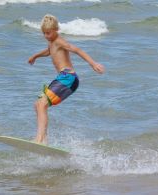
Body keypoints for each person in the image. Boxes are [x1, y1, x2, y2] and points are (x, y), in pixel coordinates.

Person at [28, 14, 105, 145]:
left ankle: (40, 139)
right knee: (38, 105)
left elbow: (77, 50)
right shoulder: (52, 42)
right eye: (44, 33)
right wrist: (35, 56)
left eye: (48, 33)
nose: (46, 36)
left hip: (69, 78)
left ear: (56, 30)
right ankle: (44, 139)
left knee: (42, 104)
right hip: (62, 78)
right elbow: (48, 51)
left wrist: (93, 64)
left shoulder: (59, 41)